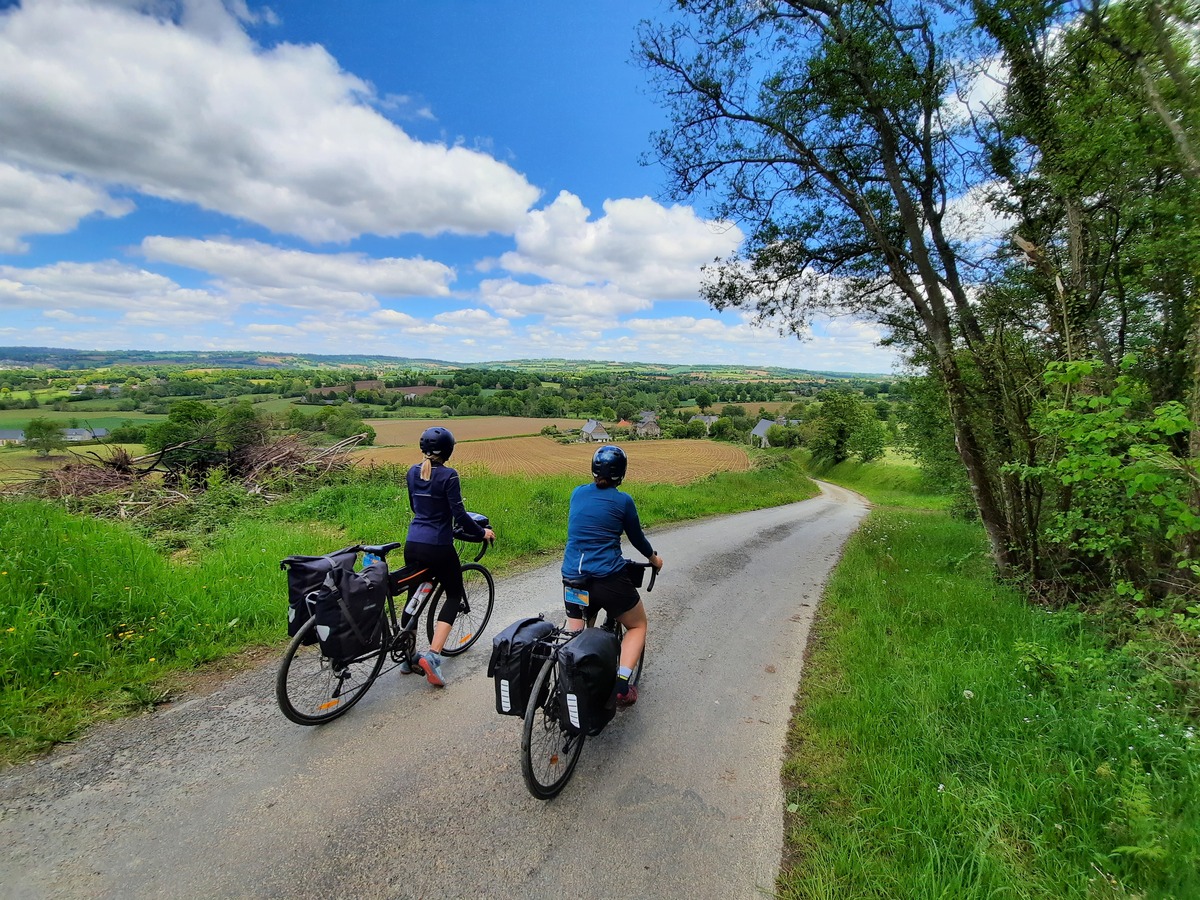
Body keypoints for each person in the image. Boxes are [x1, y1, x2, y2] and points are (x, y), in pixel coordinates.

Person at [561, 444, 663, 706]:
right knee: (638, 625)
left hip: (573, 578)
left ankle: (572, 687)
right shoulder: (623, 501)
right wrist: (654, 559)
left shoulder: (577, 493)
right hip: (607, 579)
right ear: (622, 473)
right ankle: (621, 687)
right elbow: (637, 538)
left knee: (576, 641)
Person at [404, 426, 495, 686]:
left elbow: (415, 506)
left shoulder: (412, 472)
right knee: (454, 593)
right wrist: (481, 533)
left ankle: (407, 656)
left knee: (413, 598)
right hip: (438, 546)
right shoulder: (449, 476)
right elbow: (460, 515)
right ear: (449, 451)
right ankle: (433, 656)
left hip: (413, 543)